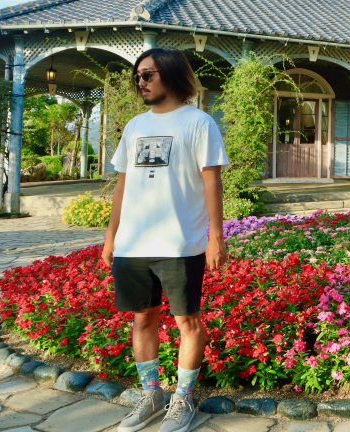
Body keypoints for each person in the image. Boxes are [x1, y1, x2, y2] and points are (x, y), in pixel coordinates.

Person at [102, 48, 229, 432]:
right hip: (133, 244)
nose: (140, 82)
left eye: (148, 75)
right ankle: (152, 395)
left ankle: (183, 398)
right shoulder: (134, 126)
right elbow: (122, 185)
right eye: (138, 76)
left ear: (171, 75)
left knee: (187, 320)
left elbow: (212, 182)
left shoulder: (199, 122)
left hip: (180, 243)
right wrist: (110, 236)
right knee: (143, 319)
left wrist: (216, 236)